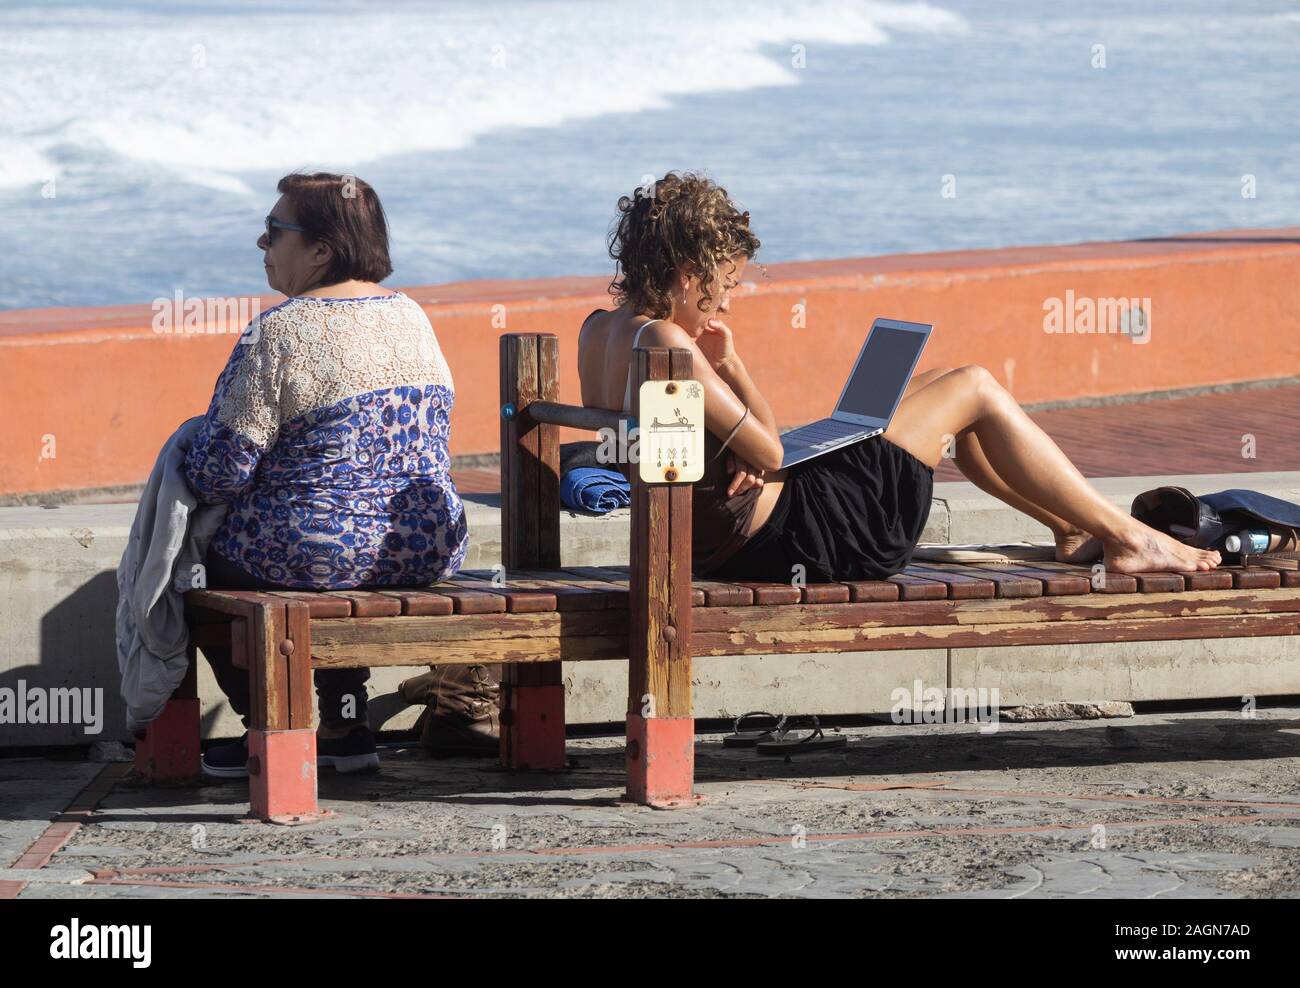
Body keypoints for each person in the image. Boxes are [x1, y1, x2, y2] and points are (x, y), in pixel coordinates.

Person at [577, 171, 1221, 586]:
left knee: (929, 389)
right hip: (805, 541)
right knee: (971, 385)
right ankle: (1129, 537)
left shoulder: (598, 331)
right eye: (724, 286)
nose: (726, 304)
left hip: (722, 539)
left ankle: (1071, 527)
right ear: (689, 272)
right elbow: (770, 451)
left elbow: (683, 457)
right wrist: (735, 373)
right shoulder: (669, 341)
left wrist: (735, 415)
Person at [187, 172, 470, 778]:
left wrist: (185, 453)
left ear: (320, 249)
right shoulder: (411, 316)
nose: (261, 245)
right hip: (426, 547)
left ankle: (266, 728)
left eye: (272, 232)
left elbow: (220, 472)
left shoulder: (281, 331)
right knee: (323, 544)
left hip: (322, 552)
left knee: (193, 571)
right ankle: (344, 726)